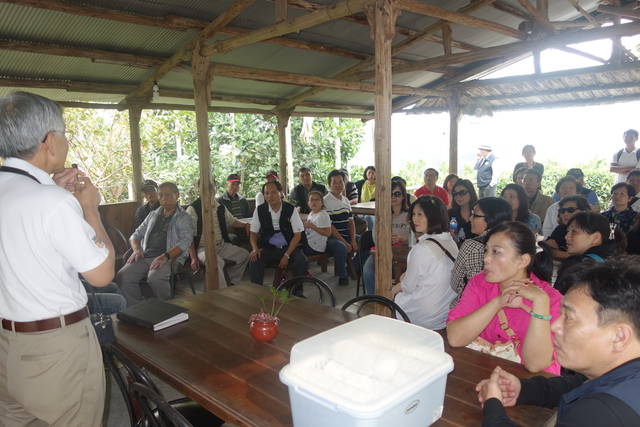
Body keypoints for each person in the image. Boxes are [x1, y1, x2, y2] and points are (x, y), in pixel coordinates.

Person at [0, 91, 115, 426]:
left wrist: (50, 187)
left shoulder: (29, 192)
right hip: (56, 350)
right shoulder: (52, 203)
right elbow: (102, 274)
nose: (66, 141)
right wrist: (90, 209)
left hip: (7, 346)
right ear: (49, 141)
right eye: (64, 133)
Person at [477, 258, 640, 427]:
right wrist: (524, 389)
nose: (554, 326)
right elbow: (581, 383)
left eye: (568, 317)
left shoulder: (602, 413)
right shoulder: (620, 375)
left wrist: (492, 406)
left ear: (619, 337)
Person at [447, 221, 562, 374]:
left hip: (529, 383)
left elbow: (535, 365)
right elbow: (455, 338)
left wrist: (540, 304)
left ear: (523, 261)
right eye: (486, 250)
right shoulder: (479, 283)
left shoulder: (550, 299)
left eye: (496, 252)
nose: (486, 258)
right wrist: (498, 302)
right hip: (483, 372)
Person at [117, 182, 193, 305]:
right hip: (146, 255)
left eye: (168, 195)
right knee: (124, 276)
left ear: (177, 195)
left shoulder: (183, 217)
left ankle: (167, 307)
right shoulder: (153, 215)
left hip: (170, 257)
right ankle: (137, 308)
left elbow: (186, 241)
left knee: (155, 278)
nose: (163, 199)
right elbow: (135, 235)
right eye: (160, 195)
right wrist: (137, 250)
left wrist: (165, 256)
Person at [391, 196, 458, 330]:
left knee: (391, 296)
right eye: (413, 214)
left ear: (434, 216)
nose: (415, 219)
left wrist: (397, 286)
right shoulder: (450, 241)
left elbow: (408, 286)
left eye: (420, 214)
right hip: (444, 314)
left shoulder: (422, 248)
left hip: (423, 317)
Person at [450, 197, 512, 305]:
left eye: (475, 215)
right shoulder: (513, 245)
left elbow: (455, 284)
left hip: (471, 307)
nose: (470, 219)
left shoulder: (471, 246)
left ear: (492, 219)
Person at [186, 187, 250, 288]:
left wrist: (246, 225)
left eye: (211, 187)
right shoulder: (193, 209)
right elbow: (188, 236)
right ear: (199, 189)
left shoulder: (220, 206)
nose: (208, 190)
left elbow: (232, 221)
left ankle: (231, 282)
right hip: (202, 249)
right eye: (205, 187)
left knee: (244, 255)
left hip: (221, 246)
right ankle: (222, 292)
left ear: (215, 189)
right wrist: (193, 258)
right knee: (215, 262)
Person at [248, 181, 308, 285]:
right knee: (254, 259)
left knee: (301, 260)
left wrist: (287, 255)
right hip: (268, 247)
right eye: (266, 193)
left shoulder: (290, 209)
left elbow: (297, 236)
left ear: (280, 192)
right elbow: (253, 233)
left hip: (288, 247)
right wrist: (255, 249)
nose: (269, 196)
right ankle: (257, 290)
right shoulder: (260, 210)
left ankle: (297, 290)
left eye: (273, 192)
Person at [554, 212, 623, 294]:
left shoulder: (577, 264)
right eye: (568, 231)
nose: (566, 237)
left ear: (596, 237)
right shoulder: (616, 260)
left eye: (574, 232)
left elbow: (556, 298)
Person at [363, 180, 412, 294]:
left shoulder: (410, 215)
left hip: (404, 254)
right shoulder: (382, 215)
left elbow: (415, 238)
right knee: (368, 270)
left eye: (397, 194)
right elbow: (375, 237)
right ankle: (373, 299)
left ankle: (397, 299)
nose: (393, 197)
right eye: (390, 194)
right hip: (383, 251)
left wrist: (402, 239)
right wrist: (385, 240)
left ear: (403, 196)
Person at [302, 190, 349, 286]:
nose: (314, 202)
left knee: (295, 251)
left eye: (317, 200)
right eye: (311, 200)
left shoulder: (323, 214)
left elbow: (328, 233)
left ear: (322, 203)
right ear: (308, 203)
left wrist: (312, 226)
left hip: (316, 246)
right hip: (311, 241)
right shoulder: (311, 213)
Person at [324, 169, 358, 275]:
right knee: (340, 246)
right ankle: (342, 276)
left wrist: (353, 240)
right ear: (329, 185)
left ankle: (354, 268)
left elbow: (351, 222)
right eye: (334, 182)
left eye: (340, 182)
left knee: (364, 241)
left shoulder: (346, 200)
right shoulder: (325, 201)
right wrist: (345, 242)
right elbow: (330, 227)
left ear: (344, 183)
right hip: (331, 238)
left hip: (346, 235)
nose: (338, 185)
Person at [542, 195, 590, 260]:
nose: (565, 214)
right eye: (562, 211)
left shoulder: (591, 229)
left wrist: (557, 253)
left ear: (584, 211)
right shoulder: (561, 228)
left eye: (570, 210)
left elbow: (587, 258)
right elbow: (547, 248)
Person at [448, 179, 478, 244]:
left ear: (471, 192)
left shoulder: (479, 214)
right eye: (455, 193)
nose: (458, 196)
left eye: (462, 192)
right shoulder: (450, 214)